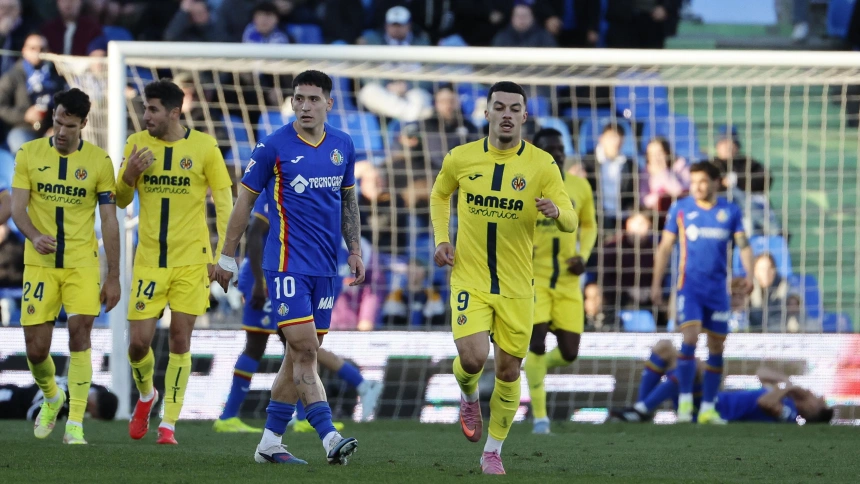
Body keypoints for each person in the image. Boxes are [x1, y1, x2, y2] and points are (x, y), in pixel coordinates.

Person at [212, 70, 363, 466]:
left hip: (326, 269)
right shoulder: (272, 146)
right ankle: (329, 436)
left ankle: (269, 444)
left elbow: (348, 202)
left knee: (297, 357)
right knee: (305, 349)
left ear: (329, 103)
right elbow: (245, 203)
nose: (305, 106)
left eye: (313, 99)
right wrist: (226, 257)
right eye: (299, 98)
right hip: (285, 266)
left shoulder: (343, 145)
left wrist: (354, 250)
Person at [430, 81, 577, 474]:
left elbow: (571, 219)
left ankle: (492, 451)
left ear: (525, 116)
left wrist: (557, 213)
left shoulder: (543, 165)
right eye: (500, 107)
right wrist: (442, 238)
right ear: (487, 113)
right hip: (470, 277)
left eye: (515, 108)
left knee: (509, 371)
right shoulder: (460, 158)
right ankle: (468, 394)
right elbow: (440, 194)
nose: (507, 114)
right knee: (473, 358)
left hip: (516, 286)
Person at [117, 79, 233, 445]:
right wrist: (129, 176)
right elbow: (120, 199)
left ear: (173, 112)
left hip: (192, 262)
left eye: (152, 110)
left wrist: (224, 257)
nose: (146, 116)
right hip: (149, 262)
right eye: (145, 109)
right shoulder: (136, 144)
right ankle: (146, 395)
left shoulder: (204, 147)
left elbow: (225, 204)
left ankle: (168, 423)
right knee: (138, 345)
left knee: (181, 339)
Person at [214, 190, 382, 433]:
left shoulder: (306, 192)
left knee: (300, 345)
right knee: (261, 345)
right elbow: (254, 234)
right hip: (267, 277)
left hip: (287, 275)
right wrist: (260, 283)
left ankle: (306, 416)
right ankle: (229, 416)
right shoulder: (274, 190)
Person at [10, 88, 120, 444]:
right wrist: (33, 235)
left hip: (81, 264)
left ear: (83, 124)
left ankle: (74, 423)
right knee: (35, 349)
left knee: (80, 335)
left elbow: (109, 220)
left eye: (69, 125)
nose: (60, 131)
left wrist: (114, 275)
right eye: (57, 122)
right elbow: (17, 208)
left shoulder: (99, 162)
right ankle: (52, 395)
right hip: (40, 264)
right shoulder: (28, 153)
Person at [651, 161, 753, 425]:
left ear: (716, 183)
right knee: (690, 337)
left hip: (718, 291)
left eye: (703, 181)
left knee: (716, 346)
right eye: (693, 181)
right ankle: (685, 403)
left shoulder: (730, 211)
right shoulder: (681, 209)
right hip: (689, 287)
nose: (696, 187)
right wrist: (656, 283)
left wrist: (750, 275)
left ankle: (708, 408)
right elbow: (665, 247)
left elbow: (743, 246)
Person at [524, 128, 597, 435]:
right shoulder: (524, 186)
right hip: (535, 279)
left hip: (567, 282)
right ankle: (541, 419)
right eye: (550, 149)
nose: (557, 154)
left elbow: (589, 225)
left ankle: (534, 367)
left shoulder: (580, 186)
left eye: (560, 149)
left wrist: (583, 255)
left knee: (569, 353)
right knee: (537, 341)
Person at [611, 342, 833, 425]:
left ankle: (640, 411)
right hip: (709, 400)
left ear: (812, 411)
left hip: (708, 411)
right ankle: (641, 410)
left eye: (819, 401)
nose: (816, 395)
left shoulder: (789, 415)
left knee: (693, 365)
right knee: (664, 348)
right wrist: (786, 381)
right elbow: (761, 372)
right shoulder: (784, 394)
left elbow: (765, 403)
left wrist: (788, 388)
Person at [0, 377, 118, 422]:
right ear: (93, 405)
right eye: (94, 415)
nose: (91, 416)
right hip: (11, 400)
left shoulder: (93, 387)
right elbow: (32, 414)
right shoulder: (62, 397)